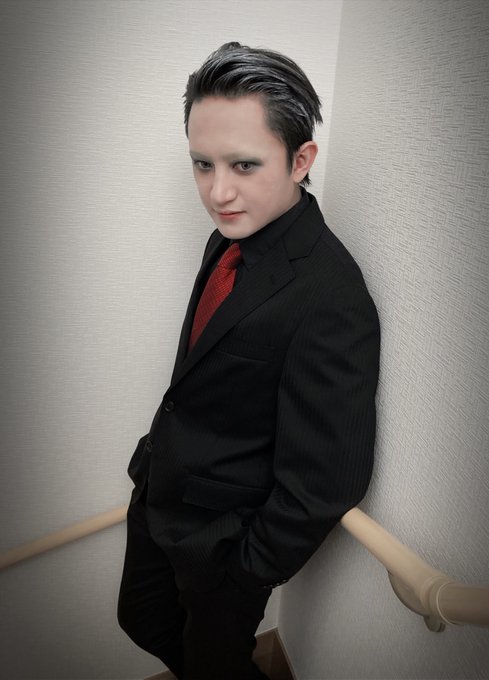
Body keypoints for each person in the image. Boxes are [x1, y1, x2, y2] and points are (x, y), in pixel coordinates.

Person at [118, 42, 380, 680]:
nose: (218, 191)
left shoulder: (331, 296)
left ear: (301, 160)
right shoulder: (229, 236)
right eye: (202, 164)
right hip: (162, 494)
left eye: (243, 164)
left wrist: (243, 573)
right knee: (142, 618)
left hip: (225, 547)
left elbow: (328, 481)